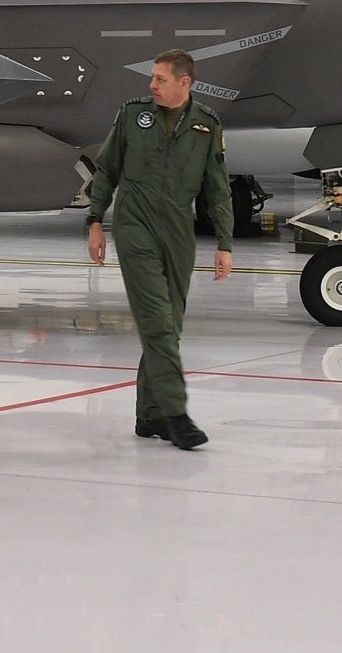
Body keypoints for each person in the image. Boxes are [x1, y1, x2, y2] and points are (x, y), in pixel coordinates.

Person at [84, 49, 233, 450]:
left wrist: (224, 242)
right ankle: (176, 414)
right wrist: (95, 221)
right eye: (152, 78)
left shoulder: (206, 124)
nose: (152, 85)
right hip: (135, 227)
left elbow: (217, 188)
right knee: (158, 323)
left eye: (160, 79)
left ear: (185, 83)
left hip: (179, 230)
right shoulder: (134, 115)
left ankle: (149, 415)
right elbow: (107, 169)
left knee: (172, 326)